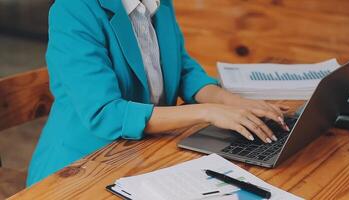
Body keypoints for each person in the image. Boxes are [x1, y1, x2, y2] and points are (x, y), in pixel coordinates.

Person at [26, 0, 289, 186]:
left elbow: (183, 69)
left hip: (145, 154)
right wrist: (208, 112)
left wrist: (232, 102)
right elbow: (105, 113)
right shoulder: (72, 9)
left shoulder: (160, 3)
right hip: (83, 166)